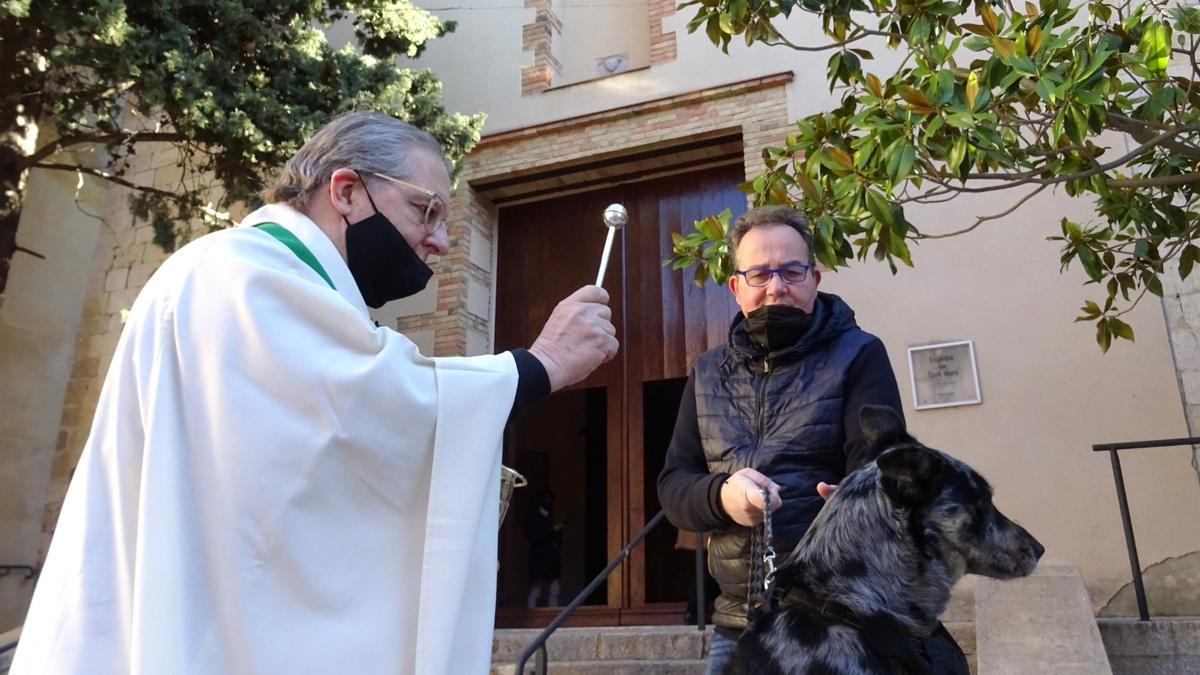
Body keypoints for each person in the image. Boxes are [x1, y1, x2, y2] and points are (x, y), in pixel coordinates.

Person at [12, 112, 618, 675]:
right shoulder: (242, 274)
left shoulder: (267, 277)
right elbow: (366, 408)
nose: (439, 243)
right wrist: (541, 365)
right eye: (426, 211)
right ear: (348, 191)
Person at [656, 205, 966, 673]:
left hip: (836, 623)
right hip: (738, 622)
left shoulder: (860, 354)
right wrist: (722, 496)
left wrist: (858, 504)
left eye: (791, 270)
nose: (776, 286)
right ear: (736, 287)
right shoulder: (705, 372)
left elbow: (882, 470)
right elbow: (674, 485)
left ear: (815, 278)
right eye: (759, 273)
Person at [522, 489, 564, 607]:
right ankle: (531, 616)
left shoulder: (548, 515)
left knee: (554, 589)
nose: (549, 502)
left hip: (551, 556)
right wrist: (551, 531)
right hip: (539, 556)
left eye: (550, 500)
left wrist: (556, 533)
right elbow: (535, 535)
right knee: (537, 588)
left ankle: (553, 616)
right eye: (547, 499)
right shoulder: (533, 517)